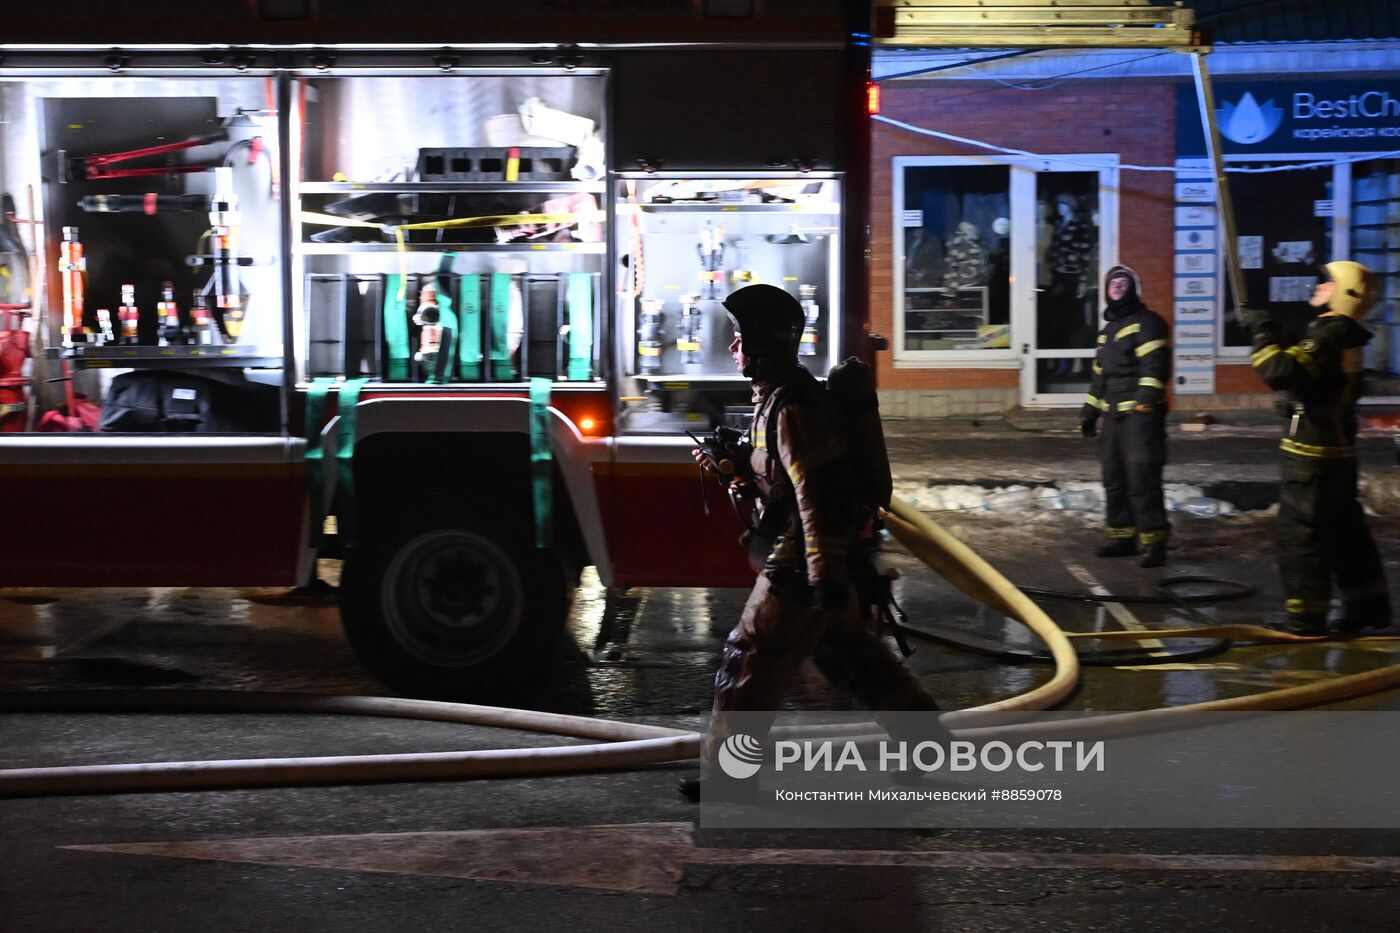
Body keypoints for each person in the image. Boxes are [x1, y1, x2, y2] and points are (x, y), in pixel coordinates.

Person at [680, 283, 948, 802]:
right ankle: (927, 748)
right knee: (854, 659)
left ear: (763, 343)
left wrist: (825, 576)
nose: (733, 349)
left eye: (740, 339)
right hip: (815, 560)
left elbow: (819, 496)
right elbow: (784, 483)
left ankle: (730, 781)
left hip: (801, 563)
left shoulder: (793, 408)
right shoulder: (777, 401)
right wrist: (734, 467)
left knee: (748, 658)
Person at [1247, 261, 1392, 636]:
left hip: (1311, 456)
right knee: (1346, 532)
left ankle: (1305, 616)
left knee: (1300, 535)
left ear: (1345, 293)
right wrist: (1298, 398)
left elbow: (1278, 372)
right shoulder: (1348, 335)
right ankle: (1367, 606)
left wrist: (1262, 332)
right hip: (1337, 453)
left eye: (1327, 282)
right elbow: (1322, 384)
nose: (1320, 285)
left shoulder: (1329, 333)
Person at [1079, 264, 1171, 568]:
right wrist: (1090, 410)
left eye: (1123, 282)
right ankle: (1122, 536)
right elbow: (1099, 376)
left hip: (1140, 415)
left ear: (1133, 288)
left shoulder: (1148, 322)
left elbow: (1155, 365)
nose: (1117, 287)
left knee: (1142, 477)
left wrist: (1145, 401)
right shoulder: (1108, 332)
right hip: (1113, 416)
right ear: (1106, 291)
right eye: (1112, 283)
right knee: (1114, 478)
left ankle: (1154, 542)